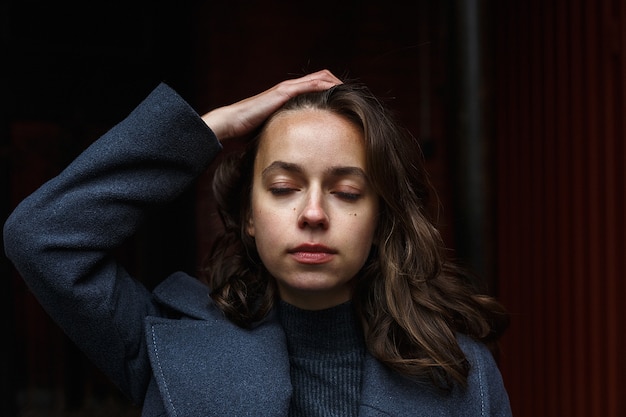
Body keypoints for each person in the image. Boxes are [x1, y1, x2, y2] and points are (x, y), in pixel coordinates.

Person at [3, 69, 512, 416]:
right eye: (284, 188)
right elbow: (43, 236)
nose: (312, 214)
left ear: (380, 218)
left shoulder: (458, 373)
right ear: (249, 214)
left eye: (347, 191)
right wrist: (213, 125)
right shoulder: (169, 346)